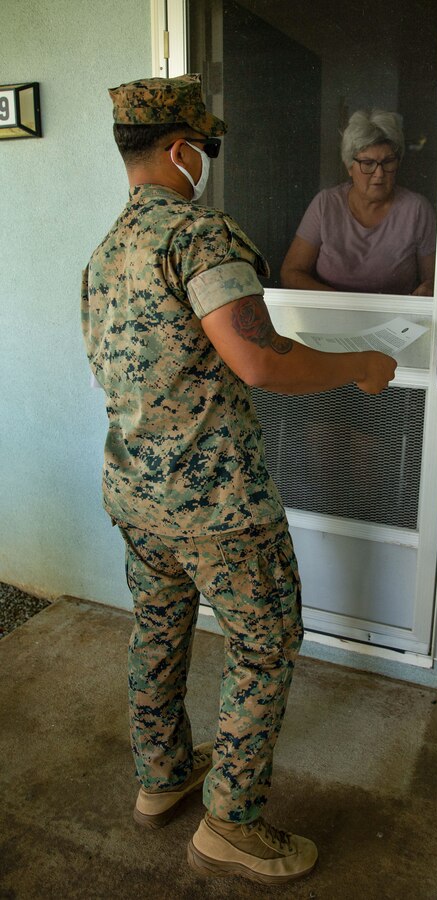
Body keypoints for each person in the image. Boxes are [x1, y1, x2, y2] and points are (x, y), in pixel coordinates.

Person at [80, 74, 396, 885]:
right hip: (216, 504)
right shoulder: (198, 235)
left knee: (159, 628)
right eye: (205, 149)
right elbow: (259, 359)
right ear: (180, 150)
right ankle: (232, 822)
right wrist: (361, 364)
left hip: (135, 494)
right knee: (264, 641)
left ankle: (161, 776)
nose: (206, 164)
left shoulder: (105, 253)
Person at [281, 109, 436, 296]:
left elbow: (434, 280)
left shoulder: (417, 209)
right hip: (333, 311)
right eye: (368, 163)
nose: (379, 173)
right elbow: (291, 273)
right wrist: (341, 303)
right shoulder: (326, 204)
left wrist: (429, 287)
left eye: (388, 161)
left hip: (394, 314)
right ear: (349, 167)